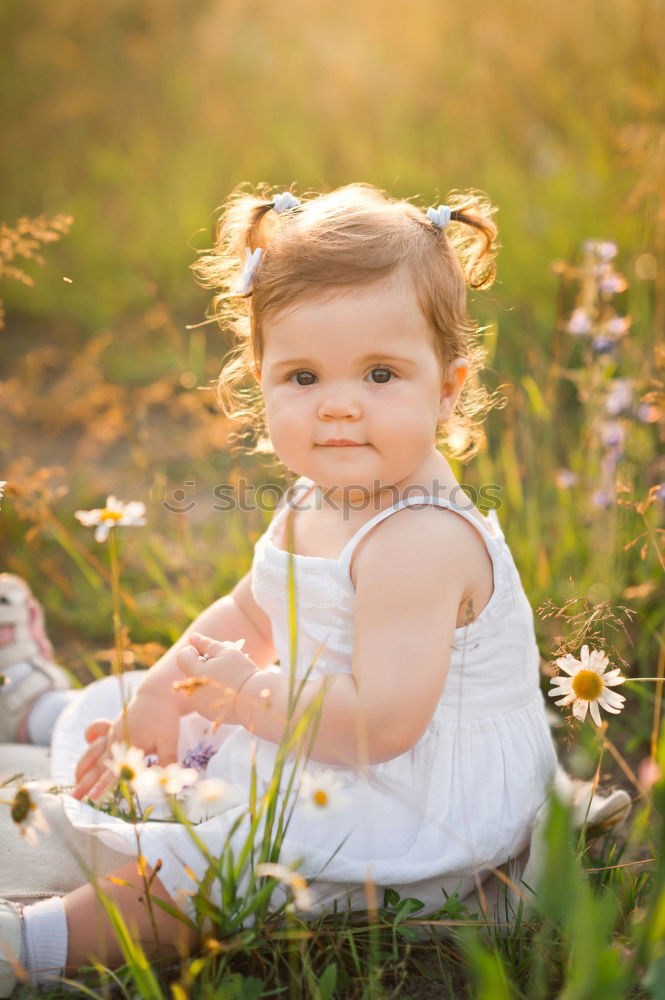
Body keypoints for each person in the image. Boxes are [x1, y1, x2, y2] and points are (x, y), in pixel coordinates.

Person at [0, 183, 632, 995]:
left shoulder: (419, 541)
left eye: (378, 374)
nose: (337, 406)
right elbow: (253, 607)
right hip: (320, 728)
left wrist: (245, 697)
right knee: (167, 718)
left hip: (411, 798)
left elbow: (383, 725)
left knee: (212, 870)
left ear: (446, 388)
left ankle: (30, 945)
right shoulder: (321, 494)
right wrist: (167, 688)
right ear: (255, 381)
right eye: (302, 376)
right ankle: (41, 708)